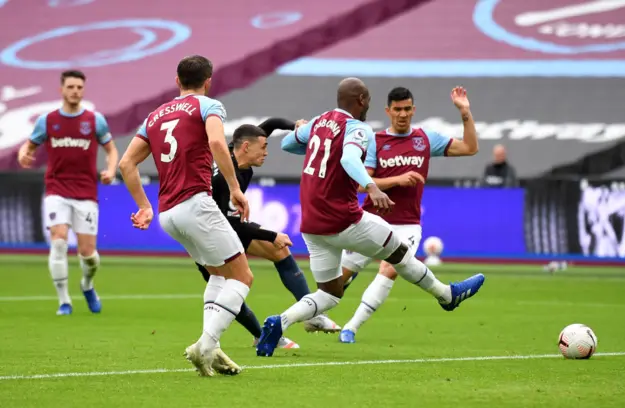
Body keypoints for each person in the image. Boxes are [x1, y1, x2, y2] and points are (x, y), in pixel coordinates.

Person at [255, 77, 485, 357]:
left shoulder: (318, 122)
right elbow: (350, 160)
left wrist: (311, 136)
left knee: (330, 293)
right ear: (362, 101)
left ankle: (278, 323)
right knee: (399, 252)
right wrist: (373, 187)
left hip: (312, 225)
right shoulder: (358, 128)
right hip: (344, 218)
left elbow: (288, 144)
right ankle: (447, 296)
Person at [118, 55, 251, 377]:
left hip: (168, 213)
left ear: (177, 81)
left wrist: (144, 206)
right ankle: (205, 344)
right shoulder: (208, 105)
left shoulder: (153, 116)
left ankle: (212, 347)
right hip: (196, 203)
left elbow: (125, 164)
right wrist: (235, 187)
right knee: (243, 276)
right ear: (209, 81)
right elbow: (218, 141)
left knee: (218, 274)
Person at [338, 86, 479, 343]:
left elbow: (470, 148)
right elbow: (360, 184)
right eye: (397, 109)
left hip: (407, 225)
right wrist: (398, 180)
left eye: (407, 109)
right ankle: (312, 315)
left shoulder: (424, 139)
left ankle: (351, 327)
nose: (402, 114)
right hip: (371, 220)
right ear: (388, 111)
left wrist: (465, 112)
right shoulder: (375, 141)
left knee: (391, 268)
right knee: (335, 284)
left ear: (413, 110)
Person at [195, 120, 340, 350]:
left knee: (278, 251)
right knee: (230, 285)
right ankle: (261, 335)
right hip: (208, 236)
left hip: (226, 226)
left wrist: (295, 126)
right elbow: (231, 225)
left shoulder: (242, 157)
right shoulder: (223, 178)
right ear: (245, 148)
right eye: (263, 148)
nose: (266, 153)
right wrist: (272, 234)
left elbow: (265, 128)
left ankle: (311, 314)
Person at [17, 70, 119, 316]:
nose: (75, 91)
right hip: (56, 190)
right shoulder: (48, 121)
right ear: (61, 90)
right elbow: (29, 145)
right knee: (59, 241)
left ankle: (87, 285)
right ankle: (64, 301)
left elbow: (112, 150)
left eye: (79, 87)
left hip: (85, 193)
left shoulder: (94, 121)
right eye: (71, 87)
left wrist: (111, 169)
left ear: (83, 90)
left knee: (89, 256)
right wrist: (23, 153)